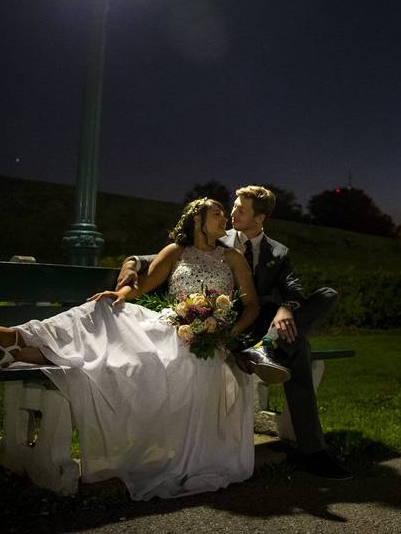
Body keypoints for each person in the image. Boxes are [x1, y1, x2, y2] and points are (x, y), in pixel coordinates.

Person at [0, 198, 261, 500]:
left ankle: (12, 347)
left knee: (103, 358)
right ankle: (13, 338)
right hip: (171, 329)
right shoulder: (175, 252)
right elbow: (141, 285)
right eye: (218, 214)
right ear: (198, 220)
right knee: (104, 308)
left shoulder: (232, 258)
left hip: (206, 346)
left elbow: (251, 306)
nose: (224, 220)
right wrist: (121, 291)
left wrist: (224, 333)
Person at [118, 185, 352, 480]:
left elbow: (294, 289)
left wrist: (287, 308)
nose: (231, 213)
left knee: (325, 300)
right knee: (299, 348)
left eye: (241, 209)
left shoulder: (278, 253)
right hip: (225, 326)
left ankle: (268, 350)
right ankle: (313, 448)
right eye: (232, 208)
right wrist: (131, 263)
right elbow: (159, 256)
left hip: (266, 325)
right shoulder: (214, 235)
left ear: (260, 218)